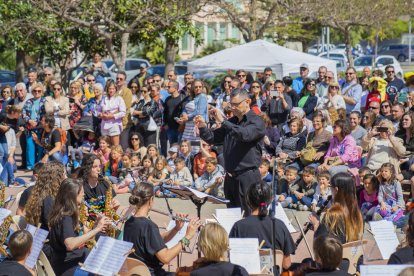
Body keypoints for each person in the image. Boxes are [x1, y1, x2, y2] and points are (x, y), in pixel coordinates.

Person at [196, 88, 265, 214]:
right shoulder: (232, 122)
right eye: (231, 104)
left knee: (248, 215)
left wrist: (223, 121)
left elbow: (244, 135)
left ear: (247, 101)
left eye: (236, 104)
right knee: (232, 216)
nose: (232, 108)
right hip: (230, 177)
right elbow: (213, 138)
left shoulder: (256, 121)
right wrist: (202, 127)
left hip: (247, 177)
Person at [123, 182, 201, 276]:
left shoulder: (129, 222)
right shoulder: (149, 226)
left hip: (135, 273)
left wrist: (176, 229)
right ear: (151, 200)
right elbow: (166, 258)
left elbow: (155, 241)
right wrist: (187, 237)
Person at [48, 178, 111, 275]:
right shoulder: (65, 217)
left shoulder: (69, 213)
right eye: (81, 192)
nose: (84, 194)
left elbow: (84, 234)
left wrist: (95, 225)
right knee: (105, 269)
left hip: (76, 259)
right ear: (73, 195)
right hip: (68, 267)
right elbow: (70, 244)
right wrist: (98, 229)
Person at [229, 182, 295, 272]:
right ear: (270, 200)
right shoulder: (279, 225)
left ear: (248, 200)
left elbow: (232, 260)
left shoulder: (239, 226)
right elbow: (286, 264)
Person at [310, 172, 363, 244]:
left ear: (336, 190)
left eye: (330, 187)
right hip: (352, 253)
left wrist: (316, 224)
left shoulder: (333, 214)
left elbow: (321, 243)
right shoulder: (358, 213)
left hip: (337, 254)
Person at [25, 161, 66, 231]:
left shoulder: (42, 192)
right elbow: (52, 225)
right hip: (45, 237)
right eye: (65, 174)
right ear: (57, 178)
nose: (66, 177)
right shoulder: (49, 199)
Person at [179, 80, 208, 153]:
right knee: (185, 150)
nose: (198, 88)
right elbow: (185, 109)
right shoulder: (192, 97)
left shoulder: (203, 97)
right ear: (193, 88)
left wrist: (187, 117)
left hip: (196, 127)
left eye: (200, 87)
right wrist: (184, 114)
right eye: (196, 87)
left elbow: (199, 112)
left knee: (195, 150)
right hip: (188, 127)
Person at [97, 80, 126, 146]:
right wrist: (100, 114)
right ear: (107, 89)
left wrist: (112, 116)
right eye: (110, 88)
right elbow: (98, 110)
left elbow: (123, 112)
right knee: (105, 146)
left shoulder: (119, 98)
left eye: (113, 88)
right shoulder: (104, 99)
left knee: (115, 146)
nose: (111, 90)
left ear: (116, 89)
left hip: (114, 125)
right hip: (104, 125)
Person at [163, 80, 187, 144]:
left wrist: (182, 125)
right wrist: (165, 124)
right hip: (170, 129)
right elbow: (165, 112)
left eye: (169, 87)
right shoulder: (167, 99)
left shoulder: (183, 98)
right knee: (172, 148)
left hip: (180, 128)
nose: (167, 88)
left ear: (175, 88)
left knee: (181, 147)